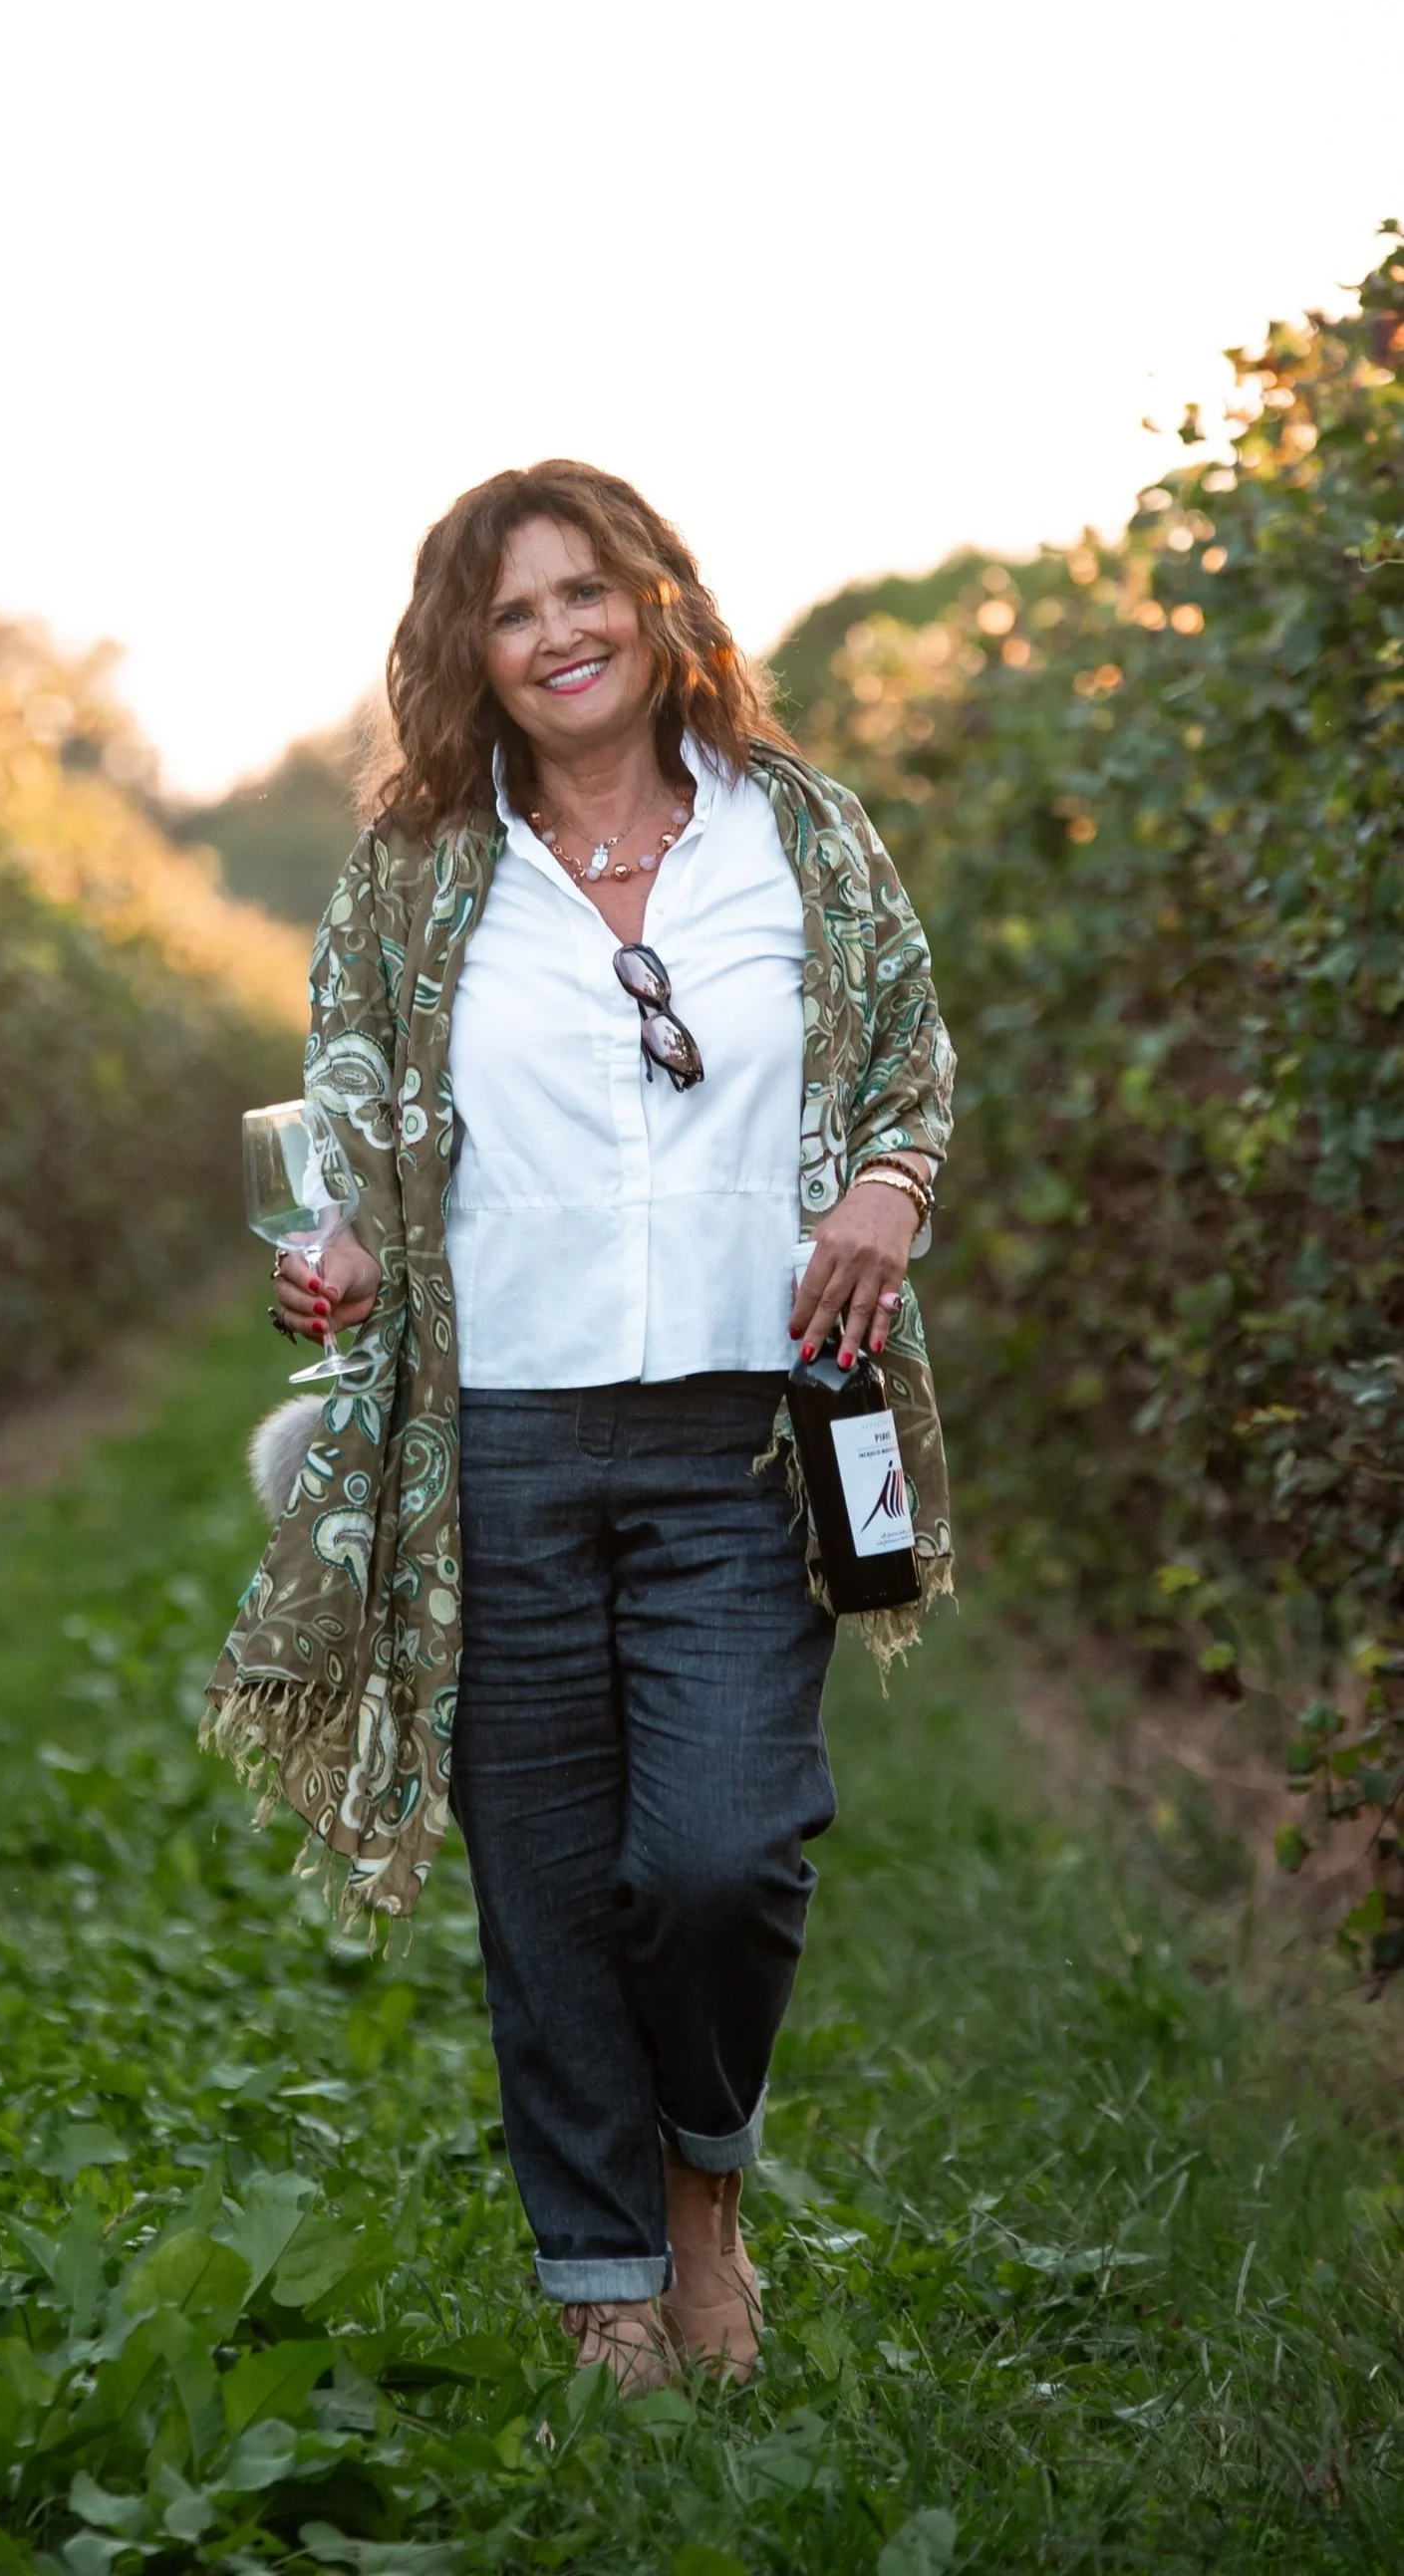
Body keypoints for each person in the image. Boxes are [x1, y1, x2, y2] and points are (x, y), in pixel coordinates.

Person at [204, 462, 955, 2393]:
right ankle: (604, 2284)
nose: (552, 633)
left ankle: (699, 2181)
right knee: (541, 1880)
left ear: (654, 600)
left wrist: (887, 1181)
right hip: (504, 1440)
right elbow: (353, 1102)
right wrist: (348, 1244)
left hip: (746, 1426)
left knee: (718, 1850)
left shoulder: (796, 833)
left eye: (580, 591)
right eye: (508, 610)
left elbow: (900, 1056)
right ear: (471, 654)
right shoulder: (419, 864)